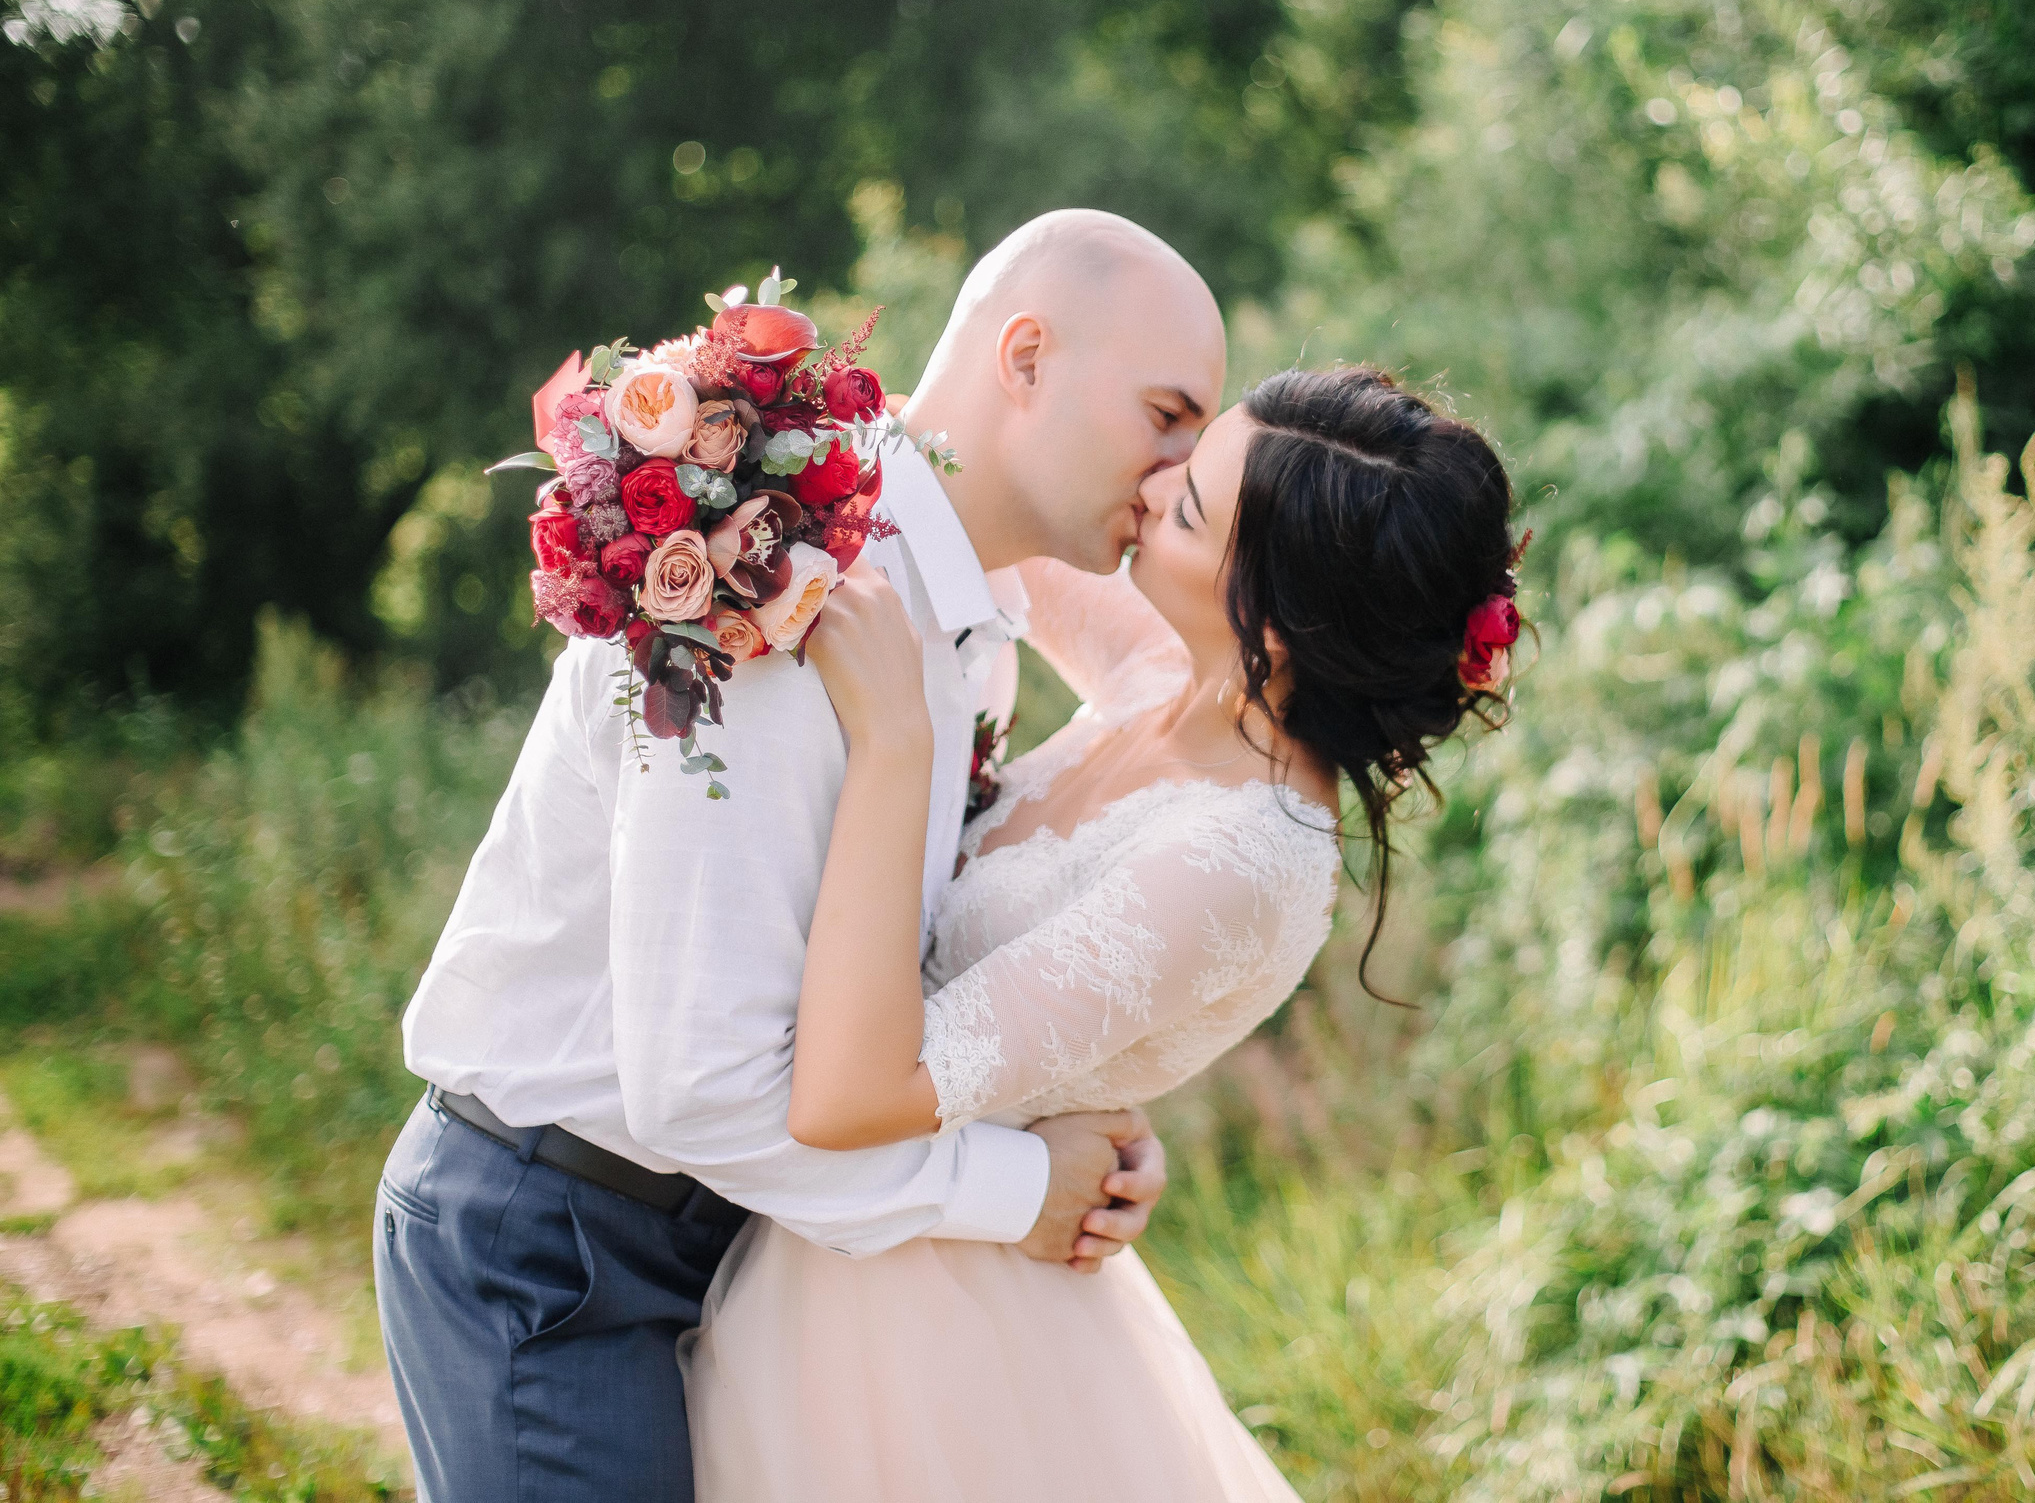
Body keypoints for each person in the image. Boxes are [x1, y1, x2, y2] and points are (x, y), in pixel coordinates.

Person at [376, 210, 1230, 1501]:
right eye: (1165, 413)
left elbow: (869, 969)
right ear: (1028, 355)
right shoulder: (783, 594)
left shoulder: (969, 606)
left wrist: (1075, 1135)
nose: (1176, 473)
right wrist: (1012, 1185)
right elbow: (702, 1082)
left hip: (744, 1234)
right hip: (556, 1242)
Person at [684, 364, 1523, 1500]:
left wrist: (897, 742)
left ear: (1273, 626)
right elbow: (977, 488)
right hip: (868, 1235)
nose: (1154, 483)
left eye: (1188, 506)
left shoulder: (1240, 858)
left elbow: (847, 1099)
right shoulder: (1169, 675)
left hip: (926, 1337)